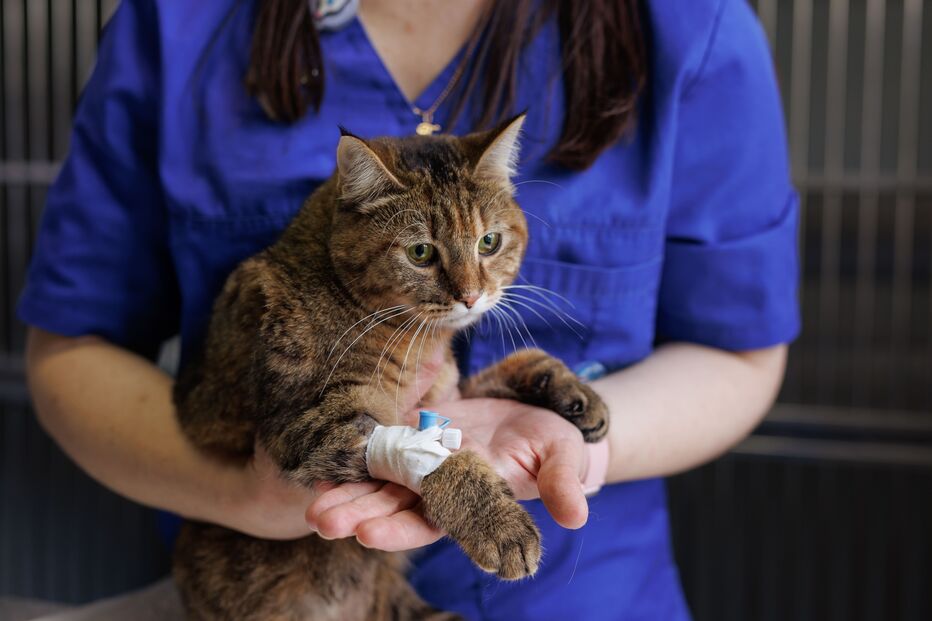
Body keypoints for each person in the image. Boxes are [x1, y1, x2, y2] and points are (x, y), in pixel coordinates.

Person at [19, 0, 798, 619]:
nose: (469, 291)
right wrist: (244, 495)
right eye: (428, 255)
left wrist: (578, 451)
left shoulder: (690, 24)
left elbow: (739, 349)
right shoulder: (182, 20)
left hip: (584, 593)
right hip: (275, 587)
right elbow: (67, 347)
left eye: (487, 251)